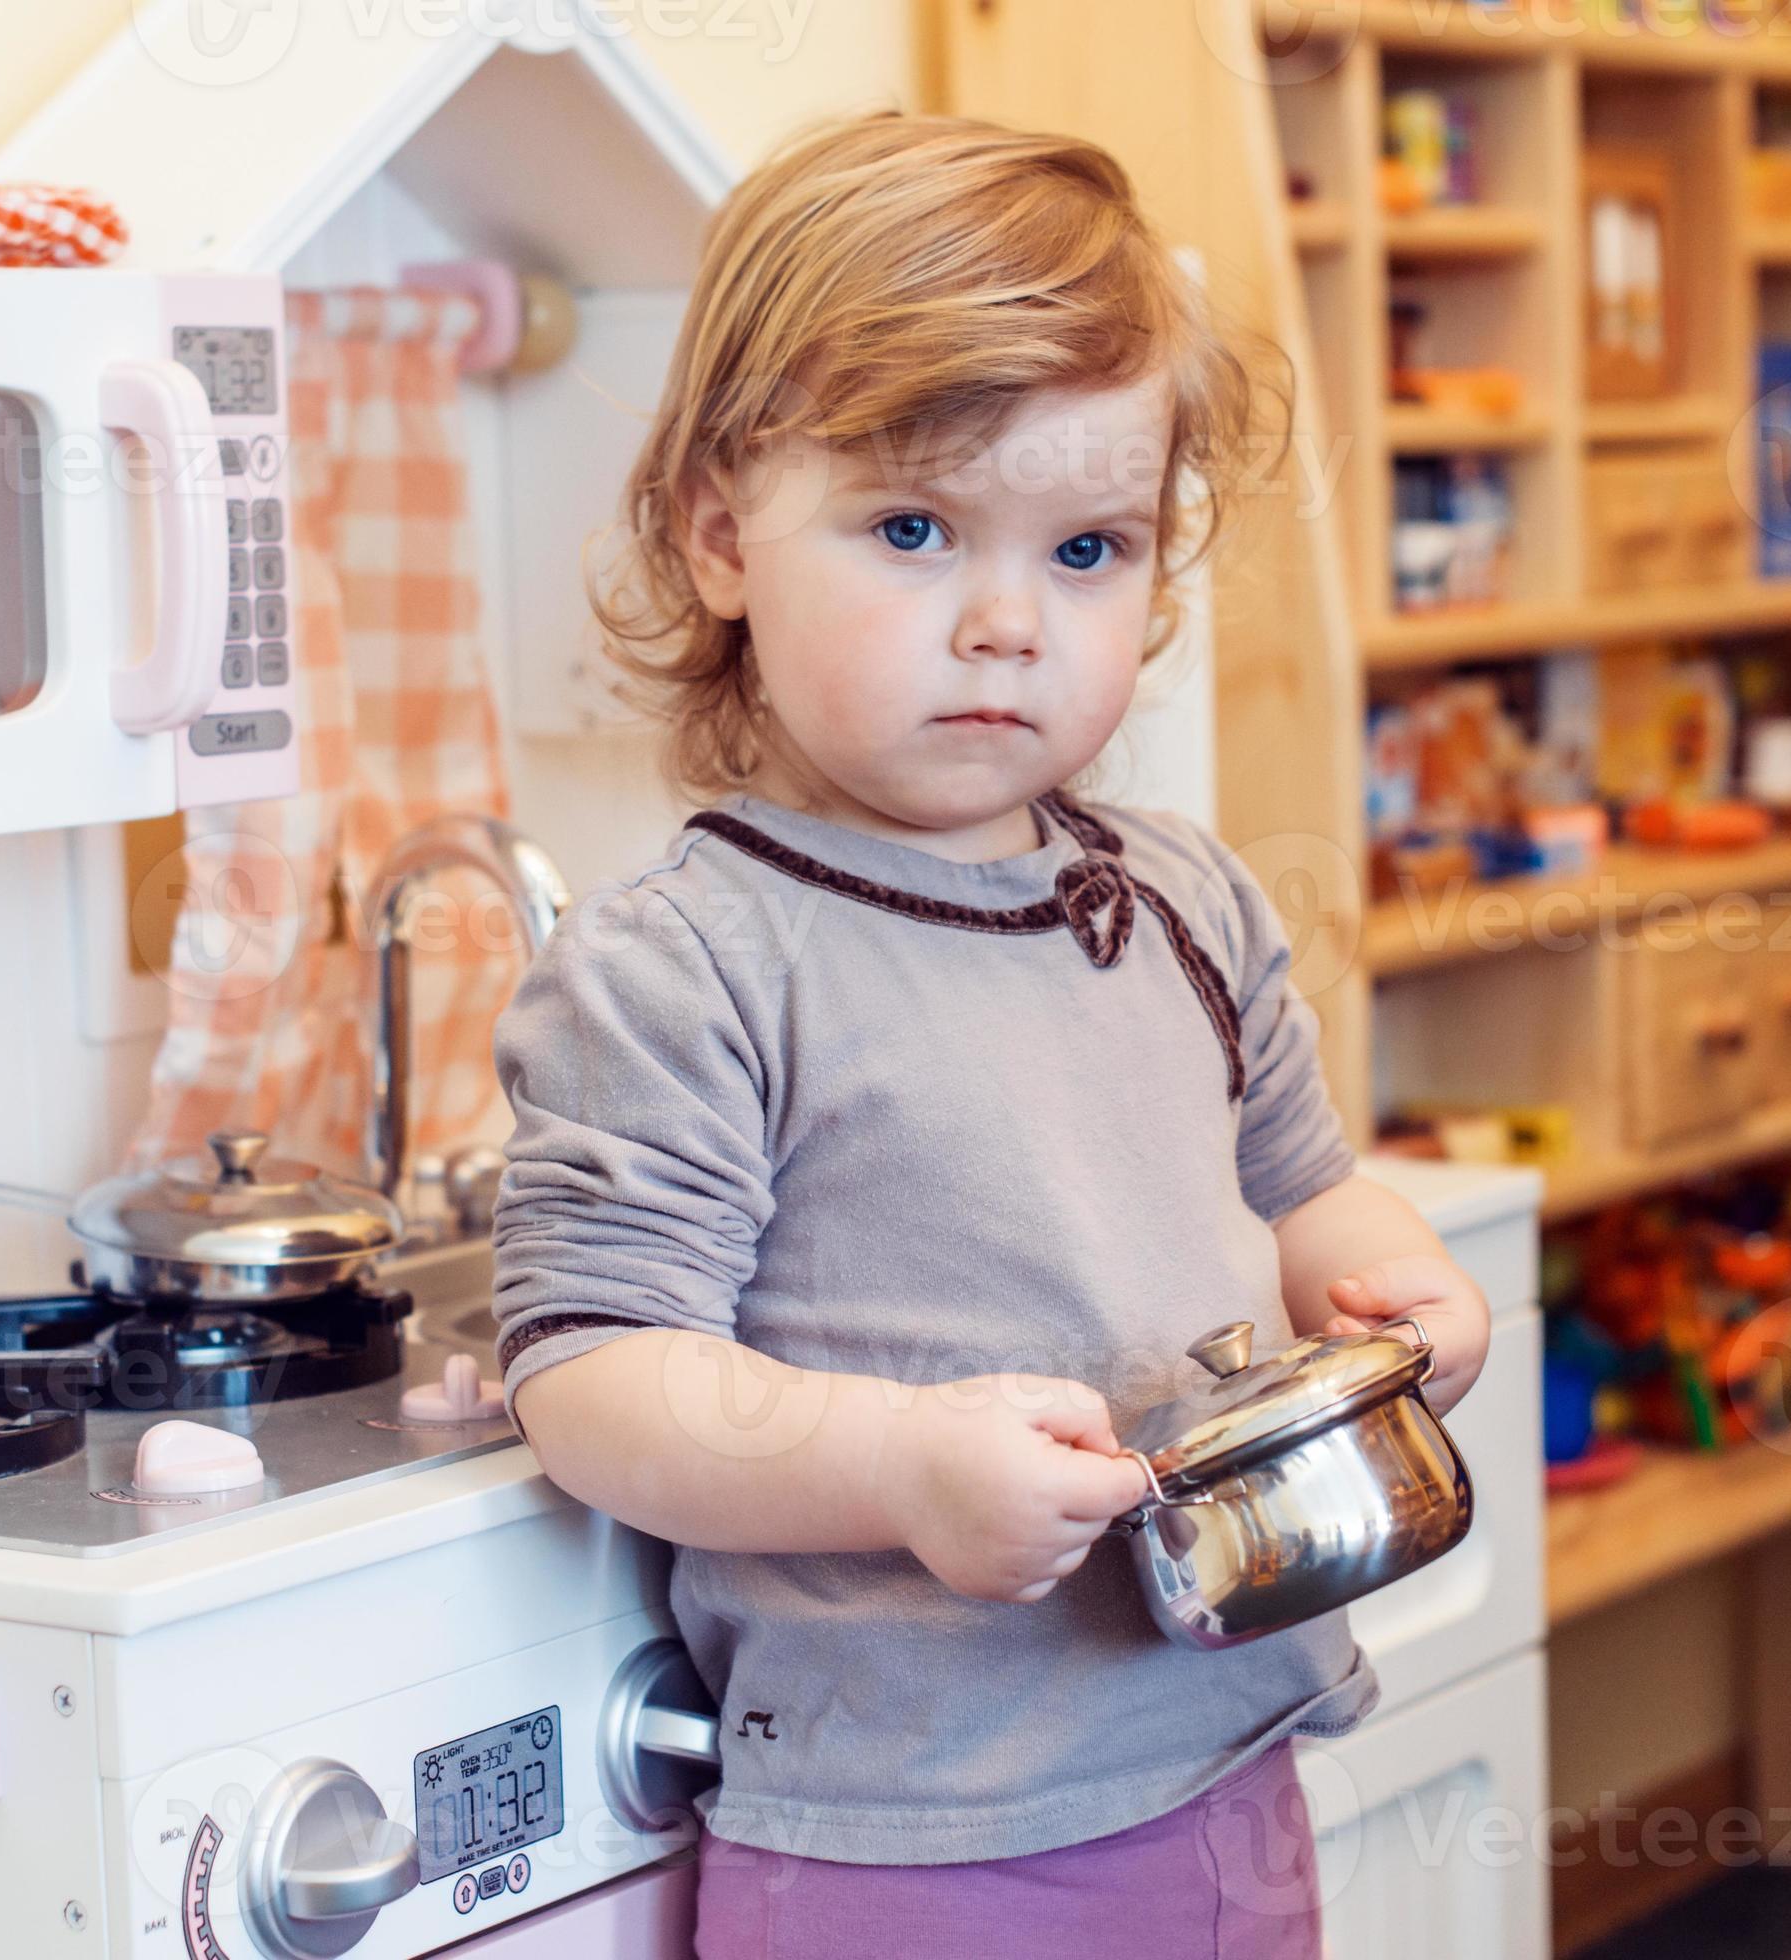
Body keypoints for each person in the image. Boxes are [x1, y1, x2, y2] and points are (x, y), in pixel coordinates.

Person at [488, 110, 1495, 1959]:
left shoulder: (1189, 896)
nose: (1008, 624)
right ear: (721, 534)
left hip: (1231, 1754)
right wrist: (902, 1474)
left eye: (1091, 547)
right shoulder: (689, 964)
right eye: (913, 528)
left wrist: (1406, 1293)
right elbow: (595, 1385)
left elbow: (1303, 1192)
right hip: (913, 1847)